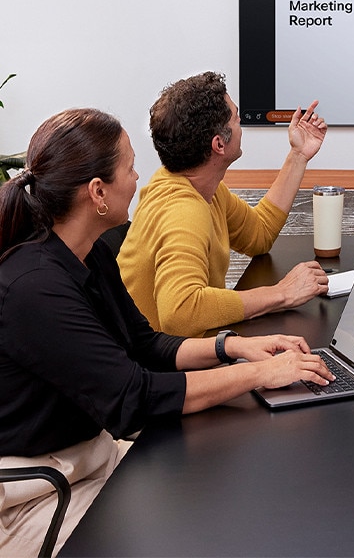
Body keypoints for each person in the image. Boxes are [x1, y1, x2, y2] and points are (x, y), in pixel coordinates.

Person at [0, 109, 334, 555]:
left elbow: (144, 343)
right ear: (97, 192)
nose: (139, 179)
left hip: (91, 457)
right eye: (130, 168)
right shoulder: (34, 288)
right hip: (38, 491)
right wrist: (259, 374)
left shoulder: (88, 253)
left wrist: (234, 346)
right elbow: (132, 398)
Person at [119, 72, 330, 338]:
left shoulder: (201, 188)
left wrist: (298, 155)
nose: (240, 122)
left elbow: (259, 234)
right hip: (158, 370)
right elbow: (180, 313)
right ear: (219, 144)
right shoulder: (183, 211)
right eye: (235, 117)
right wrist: (281, 294)